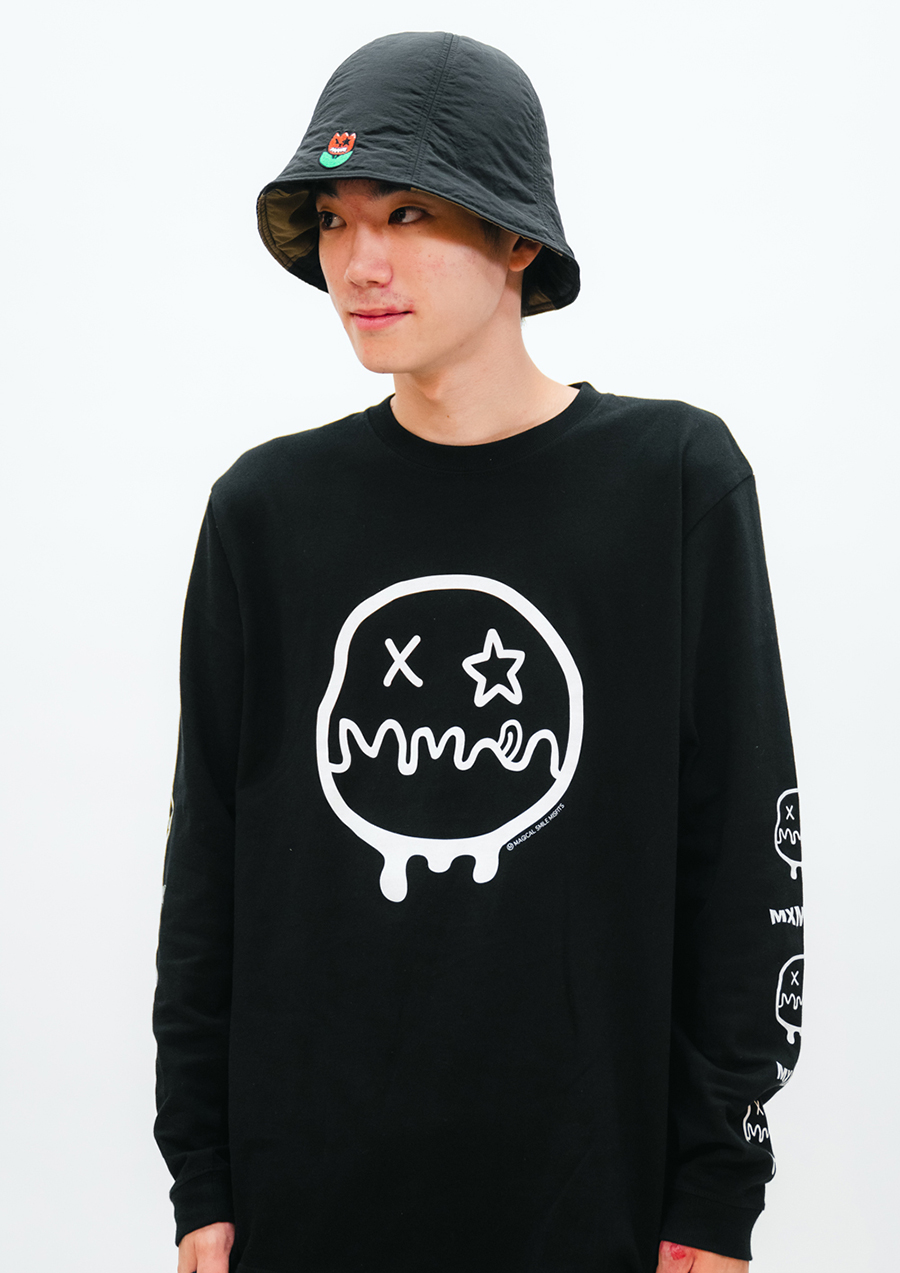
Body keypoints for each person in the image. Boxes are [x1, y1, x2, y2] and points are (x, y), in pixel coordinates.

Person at [153, 31, 803, 1273]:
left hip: (592, 1208)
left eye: (407, 212)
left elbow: (742, 854)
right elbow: (208, 875)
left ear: (516, 240)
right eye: (334, 221)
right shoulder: (266, 512)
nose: (360, 262)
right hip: (306, 1205)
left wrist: (717, 1188)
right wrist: (202, 1179)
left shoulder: (674, 483)